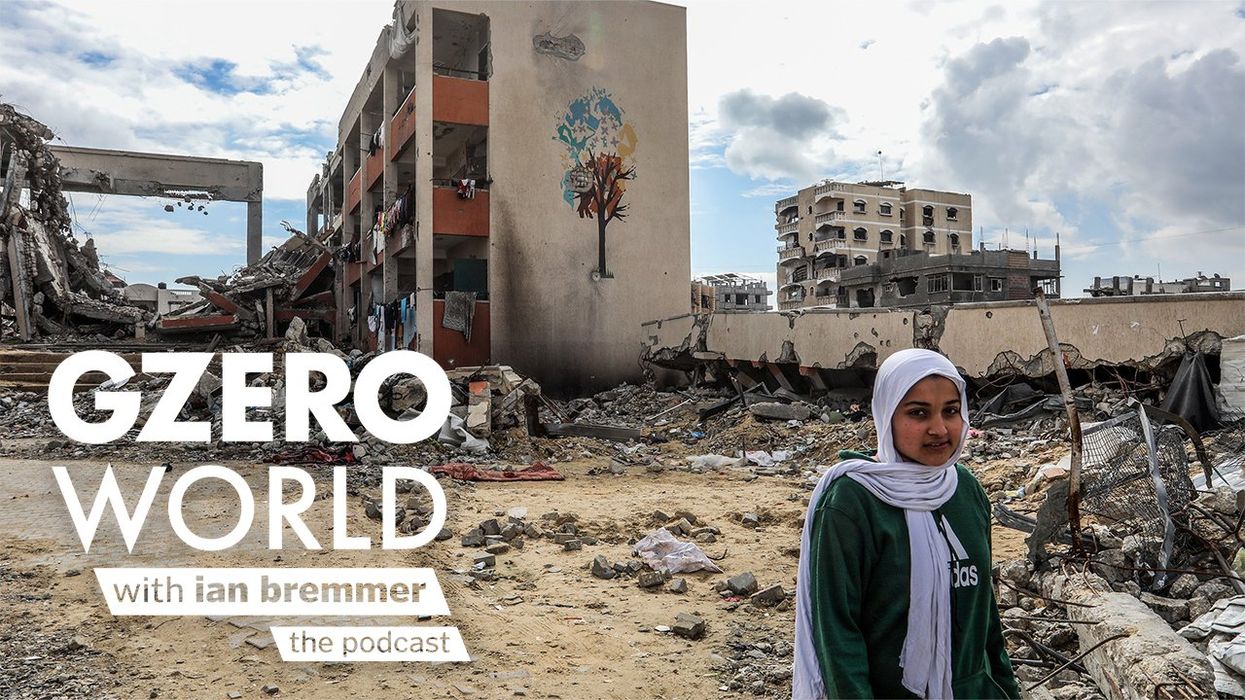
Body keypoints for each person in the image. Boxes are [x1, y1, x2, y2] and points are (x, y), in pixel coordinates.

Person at [792, 348, 1019, 699]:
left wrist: (1006, 689)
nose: (939, 429)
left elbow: (984, 616)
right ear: (886, 415)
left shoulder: (965, 490)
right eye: (918, 413)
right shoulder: (853, 502)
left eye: (951, 411)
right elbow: (837, 634)